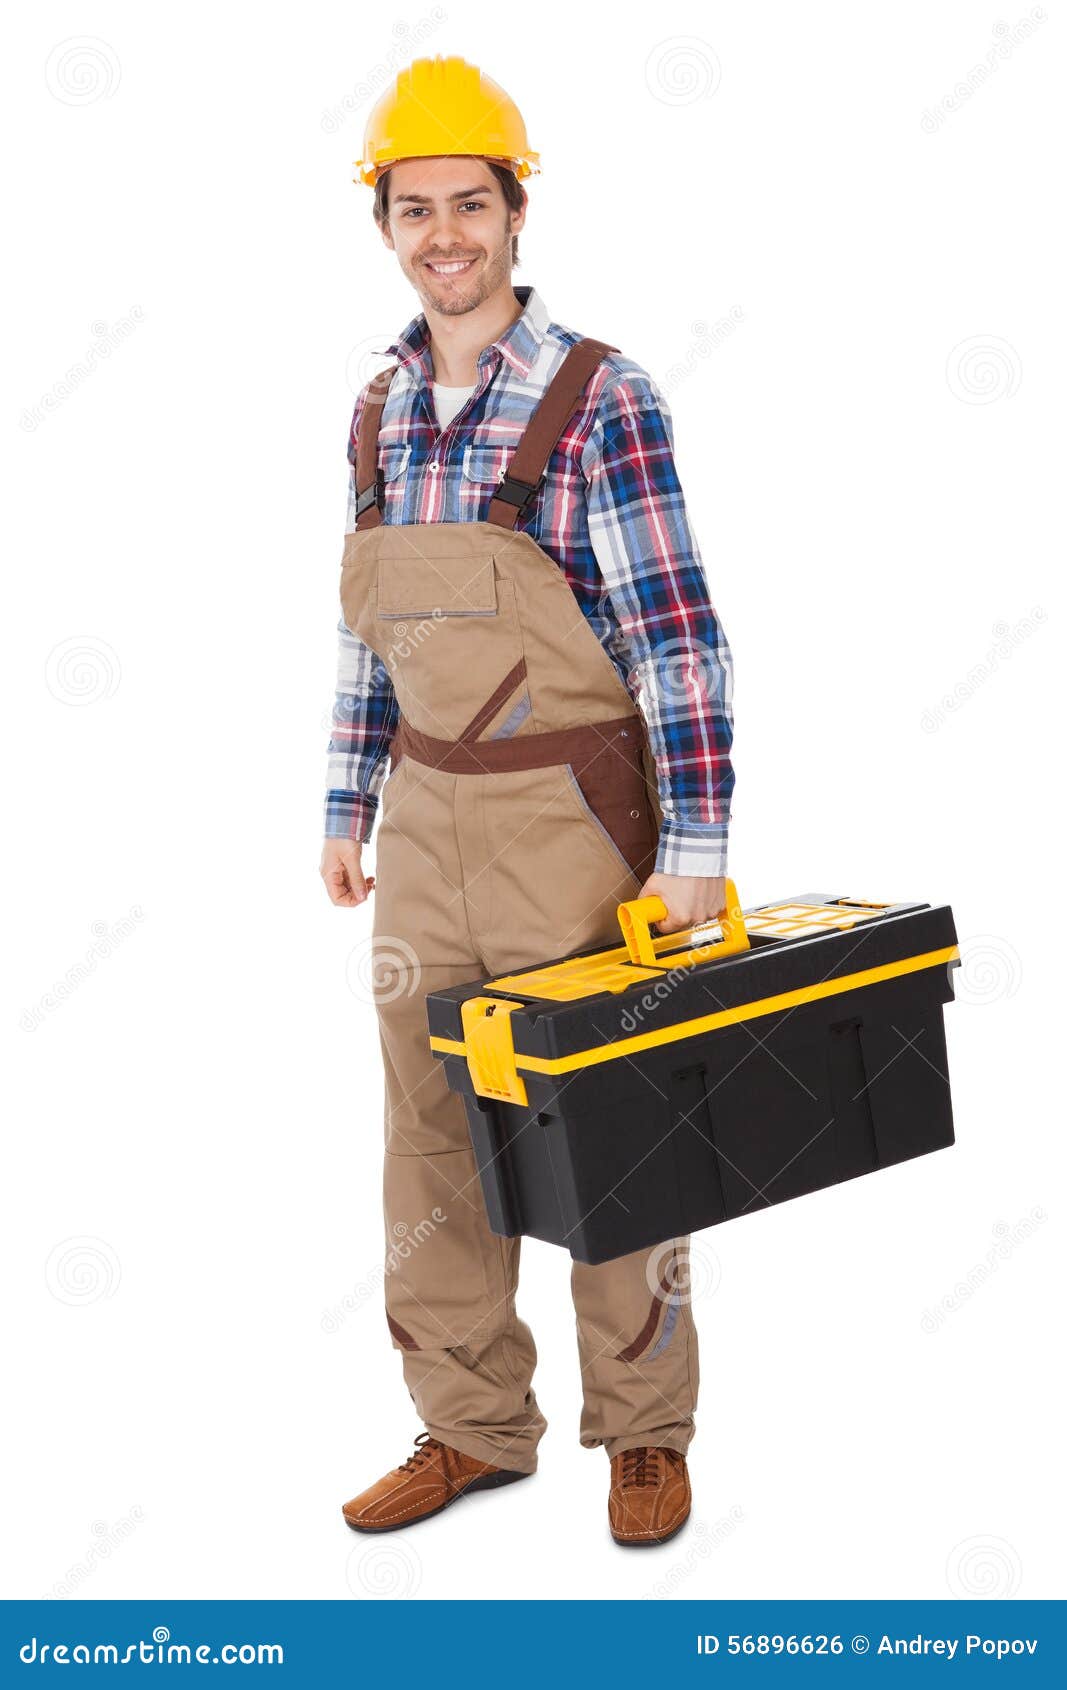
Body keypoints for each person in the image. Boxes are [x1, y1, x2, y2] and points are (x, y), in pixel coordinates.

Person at [320, 55, 735, 1547]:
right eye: (416, 205)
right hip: (425, 827)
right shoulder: (374, 413)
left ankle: (642, 1430)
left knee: (612, 1123)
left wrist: (696, 843)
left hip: (575, 823)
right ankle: (470, 1425)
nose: (446, 232)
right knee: (429, 1134)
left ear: (513, 209)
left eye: (471, 202)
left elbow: (679, 634)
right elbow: (376, 632)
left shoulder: (596, 396)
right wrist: (345, 801)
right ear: (385, 222)